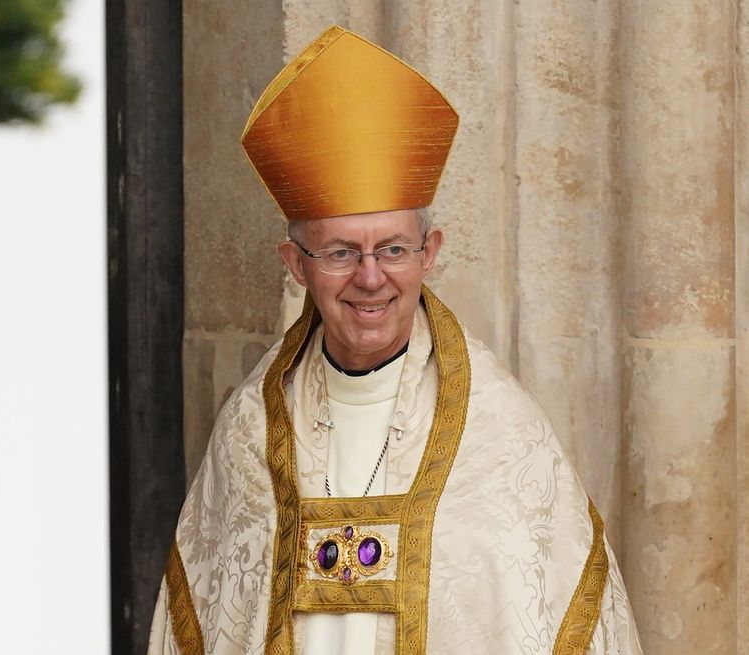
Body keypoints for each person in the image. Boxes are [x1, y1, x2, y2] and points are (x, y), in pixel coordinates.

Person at [148, 25, 643, 655]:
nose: (371, 277)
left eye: (393, 249)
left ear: (429, 253)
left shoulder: (500, 435)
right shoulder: (250, 433)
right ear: (295, 264)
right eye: (340, 252)